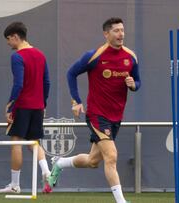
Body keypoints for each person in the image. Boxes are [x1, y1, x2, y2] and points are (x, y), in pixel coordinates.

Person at [47, 17, 140, 203]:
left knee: (92, 161)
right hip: (97, 114)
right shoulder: (94, 55)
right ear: (106, 34)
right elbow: (71, 73)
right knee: (111, 156)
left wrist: (133, 85)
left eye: (122, 30)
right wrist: (76, 101)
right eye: (116, 30)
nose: (121, 34)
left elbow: (137, 82)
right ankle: (121, 201)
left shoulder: (130, 57)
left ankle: (59, 163)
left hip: (116, 116)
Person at [0, 21, 52, 194]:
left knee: (16, 143)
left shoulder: (17, 56)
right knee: (34, 143)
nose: (8, 43)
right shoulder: (41, 55)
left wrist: (9, 106)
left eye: (8, 39)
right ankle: (47, 173)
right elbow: (47, 82)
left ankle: (15, 185)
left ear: (15, 36)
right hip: (38, 106)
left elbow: (18, 84)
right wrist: (43, 103)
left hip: (22, 106)